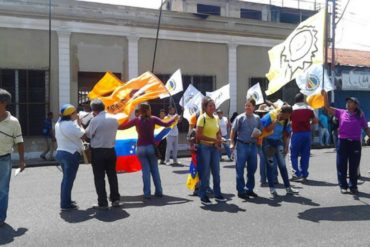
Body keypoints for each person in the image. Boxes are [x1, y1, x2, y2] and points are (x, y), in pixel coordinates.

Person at [119, 103, 178, 199]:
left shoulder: (136, 120)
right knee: (155, 170)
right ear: (149, 110)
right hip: (151, 147)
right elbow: (166, 124)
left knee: (145, 171)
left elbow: (122, 127)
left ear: (140, 111)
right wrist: (174, 117)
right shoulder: (153, 119)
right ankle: (158, 191)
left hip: (140, 148)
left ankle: (147, 193)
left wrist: (115, 123)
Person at [322, 90, 370, 194]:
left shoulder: (360, 115)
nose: (348, 103)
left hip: (355, 143)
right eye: (347, 101)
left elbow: (365, 127)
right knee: (341, 164)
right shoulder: (341, 112)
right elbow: (327, 107)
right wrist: (325, 96)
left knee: (354, 165)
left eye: (350, 102)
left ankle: (353, 186)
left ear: (355, 105)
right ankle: (343, 186)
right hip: (343, 142)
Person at [85, 99, 121, 209]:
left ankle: (102, 202)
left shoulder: (95, 120)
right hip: (111, 150)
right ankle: (115, 199)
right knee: (112, 176)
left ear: (93, 110)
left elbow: (88, 135)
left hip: (98, 151)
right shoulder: (114, 118)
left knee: (99, 177)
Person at [0, 88, 26, 226]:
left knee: (2, 190)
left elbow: (19, 141)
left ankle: (0, 217)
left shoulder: (13, 122)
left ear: (4, 103)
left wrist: (22, 160)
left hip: (4, 159)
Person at [261, 105, 299, 196]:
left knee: (282, 165)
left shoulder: (287, 119)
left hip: (278, 142)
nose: (289, 117)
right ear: (285, 113)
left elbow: (285, 134)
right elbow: (267, 129)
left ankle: (288, 188)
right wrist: (276, 121)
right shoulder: (271, 115)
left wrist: (286, 147)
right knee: (270, 165)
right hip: (268, 142)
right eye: (288, 115)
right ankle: (272, 189)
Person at [196, 96, 226, 205]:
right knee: (205, 173)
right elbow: (198, 136)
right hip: (204, 148)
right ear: (205, 107)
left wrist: (219, 140)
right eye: (210, 106)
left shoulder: (216, 118)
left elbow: (218, 131)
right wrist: (213, 139)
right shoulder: (202, 118)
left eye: (213, 105)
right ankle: (203, 195)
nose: (213, 107)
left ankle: (217, 194)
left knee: (216, 172)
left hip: (214, 148)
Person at [55, 104, 85, 211]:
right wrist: (79, 122)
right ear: (71, 114)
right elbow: (83, 134)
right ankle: (65, 204)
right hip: (70, 154)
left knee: (66, 179)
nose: (76, 114)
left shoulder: (58, 124)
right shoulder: (71, 125)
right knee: (69, 179)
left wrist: (74, 119)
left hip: (60, 152)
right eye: (75, 112)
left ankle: (66, 200)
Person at [230, 98, 262, 199]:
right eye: (246, 105)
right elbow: (233, 131)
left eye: (249, 106)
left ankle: (249, 189)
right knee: (240, 169)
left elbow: (260, 131)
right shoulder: (240, 118)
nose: (247, 107)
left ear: (254, 107)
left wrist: (258, 137)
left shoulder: (257, 118)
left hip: (253, 146)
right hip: (241, 145)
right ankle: (241, 190)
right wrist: (232, 143)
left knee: (252, 169)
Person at [290, 93, 317, 182]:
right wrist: (308, 124)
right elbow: (315, 121)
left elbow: (288, 121)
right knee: (305, 154)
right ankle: (304, 174)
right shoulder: (309, 109)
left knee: (293, 155)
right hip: (307, 133)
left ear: (295, 100)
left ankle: (297, 173)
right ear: (303, 100)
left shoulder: (292, 109)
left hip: (296, 133)